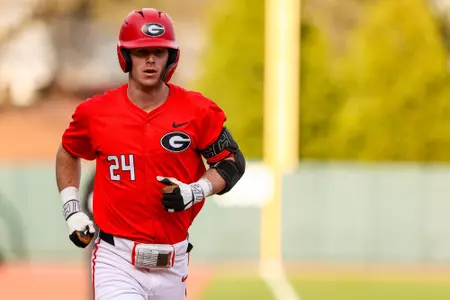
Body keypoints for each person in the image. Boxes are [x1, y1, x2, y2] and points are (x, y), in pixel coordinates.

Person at [55, 8, 246, 300]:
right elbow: (68, 151)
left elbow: (232, 161)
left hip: (173, 263)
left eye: (159, 51)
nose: (150, 60)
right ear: (125, 56)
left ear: (171, 57)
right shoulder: (95, 113)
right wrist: (72, 210)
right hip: (115, 260)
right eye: (141, 52)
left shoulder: (197, 111)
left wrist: (196, 190)